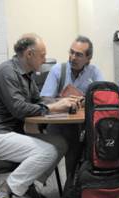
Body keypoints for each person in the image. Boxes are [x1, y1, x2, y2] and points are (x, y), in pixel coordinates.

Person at [0, 33, 82, 198]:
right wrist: (53, 107)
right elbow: (19, 109)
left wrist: (62, 100)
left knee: (60, 142)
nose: (44, 59)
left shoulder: (27, 75)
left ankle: (27, 185)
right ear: (29, 54)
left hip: (8, 134)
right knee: (48, 151)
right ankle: (1, 194)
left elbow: (37, 101)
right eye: (42, 55)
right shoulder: (7, 72)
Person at [40, 36, 104, 177]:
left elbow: (104, 96)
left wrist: (83, 100)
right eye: (71, 52)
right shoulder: (58, 70)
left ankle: (84, 181)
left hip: (84, 124)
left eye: (79, 55)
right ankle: (70, 183)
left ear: (88, 58)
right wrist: (63, 102)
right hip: (59, 124)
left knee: (101, 138)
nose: (73, 57)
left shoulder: (94, 72)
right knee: (71, 141)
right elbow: (44, 100)